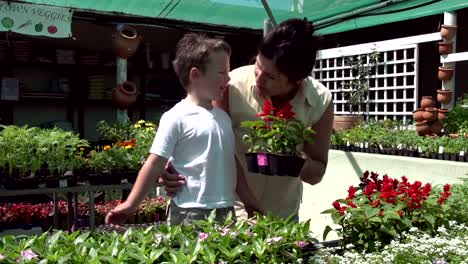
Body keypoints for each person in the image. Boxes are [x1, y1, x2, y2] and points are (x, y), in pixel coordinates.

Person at [163, 18, 334, 220]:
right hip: (230, 214)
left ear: (297, 80)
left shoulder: (319, 101)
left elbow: (317, 173)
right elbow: (195, 126)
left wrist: (290, 162)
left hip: (283, 217)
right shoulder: (231, 85)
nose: (259, 78)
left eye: (271, 77)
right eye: (258, 65)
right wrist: (172, 167)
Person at [105, 33, 259, 226]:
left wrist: (249, 201)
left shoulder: (223, 118)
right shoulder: (176, 117)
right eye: (221, 72)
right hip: (189, 212)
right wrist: (130, 205)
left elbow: (232, 163)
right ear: (195, 75)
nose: (228, 78)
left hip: (226, 211)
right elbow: (155, 163)